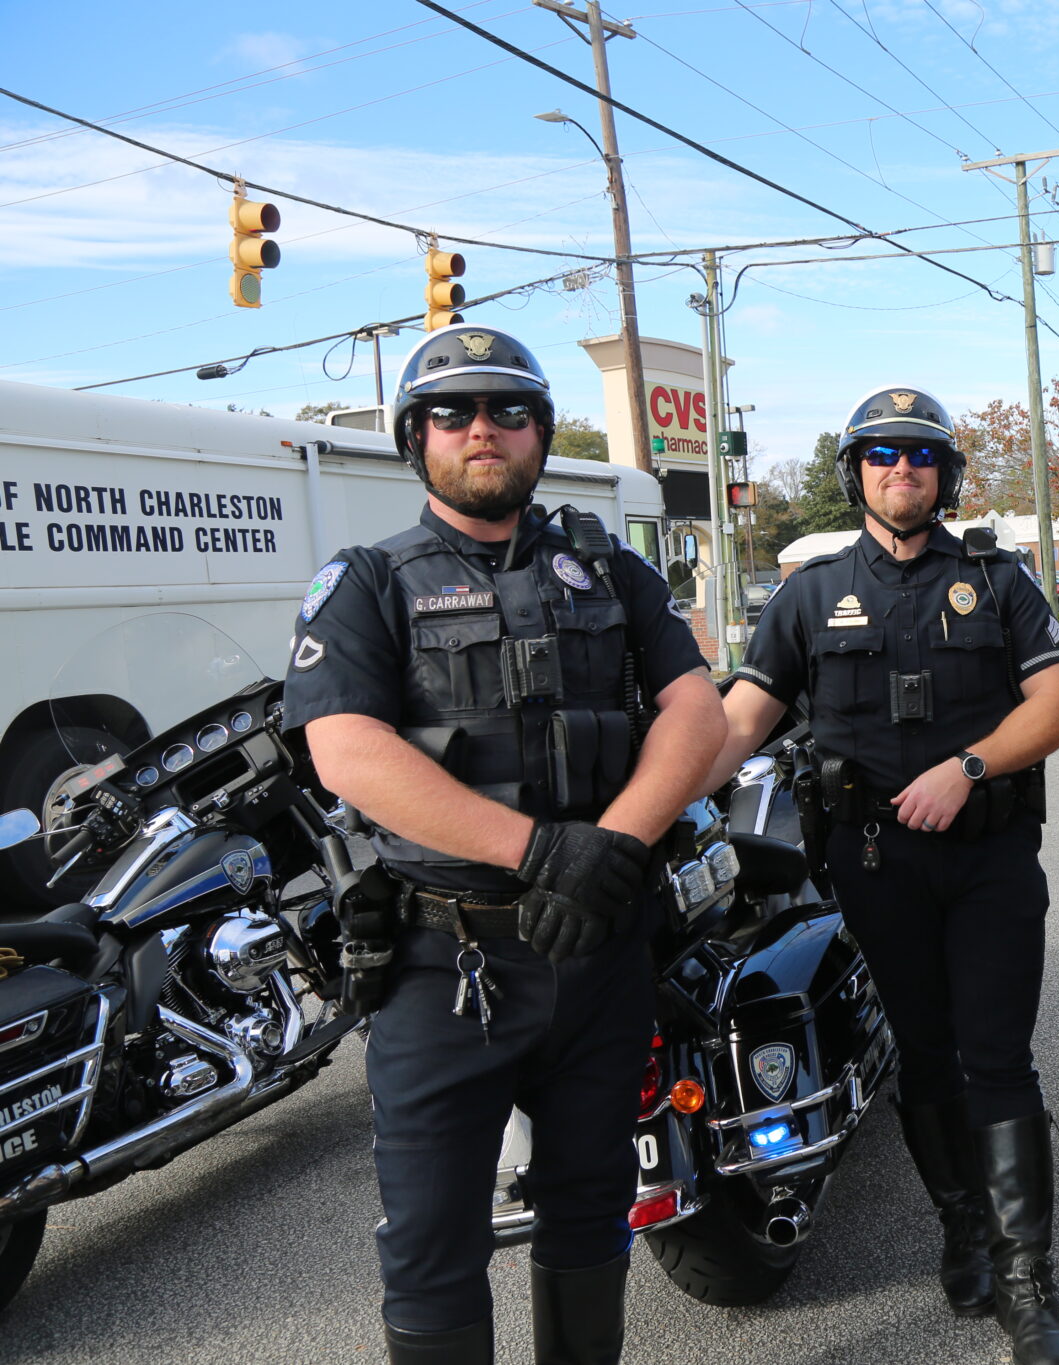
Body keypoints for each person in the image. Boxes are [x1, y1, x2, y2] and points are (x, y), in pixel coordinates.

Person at [283, 324, 725, 1364]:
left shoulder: (610, 572)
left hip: (598, 945)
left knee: (590, 1208)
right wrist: (541, 852)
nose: (482, 428)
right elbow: (347, 751)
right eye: (453, 411)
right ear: (415, 438)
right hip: (449, 962)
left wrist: (607, 848)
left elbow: (694, 712)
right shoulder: (365, 584)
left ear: (540, 432)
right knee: (432, 1243)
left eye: (509, 409)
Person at [703, 385, 1059, 1365]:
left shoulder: (999, 584)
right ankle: (963, 1227)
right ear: (856, 473)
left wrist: (967, 770)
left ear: (945, 474)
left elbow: (1056, 706)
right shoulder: (805, 595)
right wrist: (649, 804)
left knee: (995, 1057)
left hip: (989, 857)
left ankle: (1023, 1272)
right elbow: (740, 721)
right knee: (922, 1054)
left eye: (919, 454)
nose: (900, 468)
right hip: (872, 861)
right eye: (879, 454)